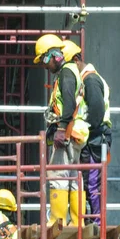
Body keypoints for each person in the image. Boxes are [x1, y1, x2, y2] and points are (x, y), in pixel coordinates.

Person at [34, 34, 89, 226]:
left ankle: (57, 221)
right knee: (74, 178)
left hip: (68, 132)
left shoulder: (66, 73)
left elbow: (69, 102)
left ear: (54, 55)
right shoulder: (73, 71)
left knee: (58, 175)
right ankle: (76, 222)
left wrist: (62, 128)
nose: (45, 66)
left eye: (44, 61)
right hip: (76, 132)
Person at [62, 41, 112, 225]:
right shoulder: (85, 80)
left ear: (75, 61)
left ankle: (98, 224)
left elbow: (97, 112)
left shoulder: (90, 80)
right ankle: (91, 220)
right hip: (91, 138)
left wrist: (83, 130)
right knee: (86, 182)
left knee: (92, 184)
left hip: (95, 139)